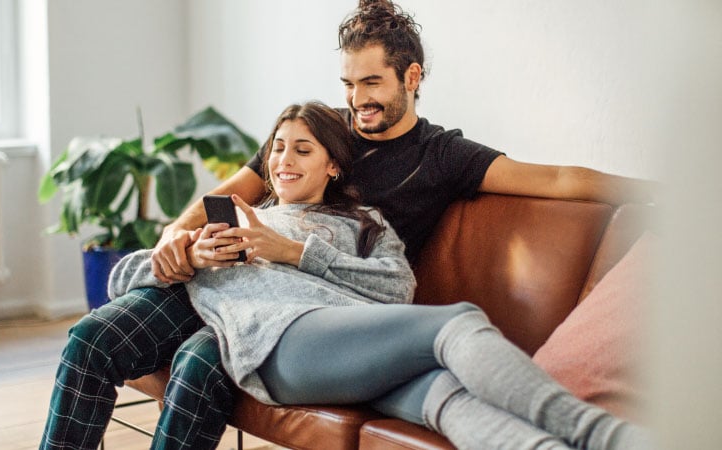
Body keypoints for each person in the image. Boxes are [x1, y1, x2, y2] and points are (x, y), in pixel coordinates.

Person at [39, 1, 655, 448]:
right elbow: (230, 193)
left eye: (372, 83)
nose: (356, 99)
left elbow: (557, 182)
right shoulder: (319, 129)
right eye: (348, 82)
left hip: (323, 311)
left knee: (204, 368)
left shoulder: (441, 156)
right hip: (233, 280)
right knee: (92, 341)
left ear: (412, 77)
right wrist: (175, 237)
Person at [109, 101, 650, 450]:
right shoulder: (239, 225)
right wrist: (181, 251)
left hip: (355, 342)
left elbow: (396, 289)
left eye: (303, 149)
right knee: (456, 323)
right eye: (277, 150)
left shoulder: (366, 223)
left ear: (333, 166)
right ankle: (606, 438)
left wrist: (298, 252)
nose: (284, 161)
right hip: (280, 342)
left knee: (447, 397)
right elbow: (131, 278)